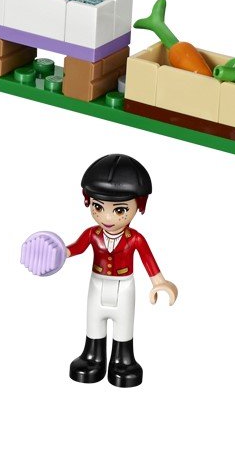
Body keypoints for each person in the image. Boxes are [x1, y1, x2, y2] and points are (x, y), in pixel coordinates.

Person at [53, 152, 177, 386]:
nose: (107, 216)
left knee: (123, 325)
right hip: (97, 284)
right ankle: (92, 357)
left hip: (124, 287)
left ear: (138, 205)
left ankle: (123, 361)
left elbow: (148, 260)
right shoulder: (92, 234)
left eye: (119, 210)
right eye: (98, 207)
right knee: (94, 321)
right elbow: (76, 248)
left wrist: (160, 283)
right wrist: (60, 253)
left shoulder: (135, 239)